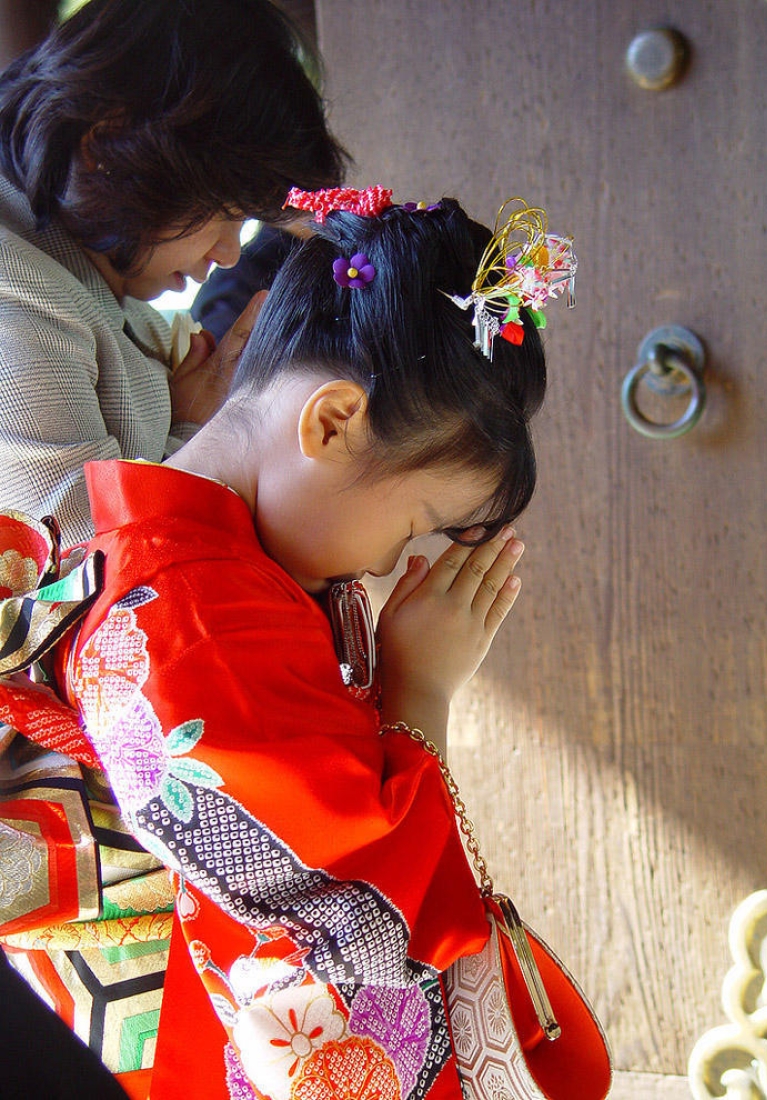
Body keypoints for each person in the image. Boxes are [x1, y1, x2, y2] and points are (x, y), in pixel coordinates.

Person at [0, 189, 583, 1099]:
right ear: (332, 421)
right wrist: (419, 693)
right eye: (419, 520)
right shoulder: (187, 621)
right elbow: (370, 925)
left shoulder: (203, 572)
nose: (397, 557)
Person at [0, 0, 347, 547]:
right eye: (224, 215)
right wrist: (197, 430)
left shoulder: (99, 273)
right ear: (109, 150)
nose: (230, 253)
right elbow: (92, 562)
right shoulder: (15, 295)